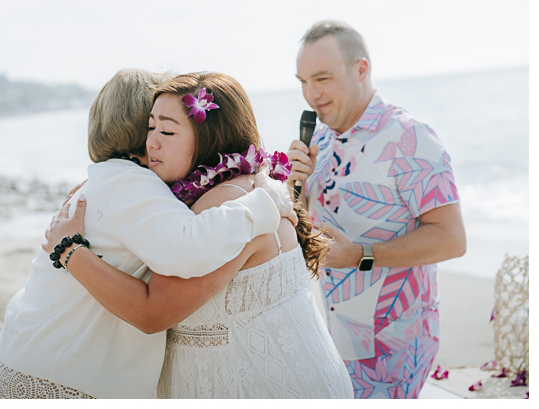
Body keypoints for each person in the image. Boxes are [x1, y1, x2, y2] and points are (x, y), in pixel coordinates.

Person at [46, 72, 353, 400]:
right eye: (149, 128)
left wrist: (68, 250)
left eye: (166, 130)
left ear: (209, 139)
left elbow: (152, 311)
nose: (150, 142)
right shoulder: (249, 185)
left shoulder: (223, 206)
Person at [0, 68, 288, 399]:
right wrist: (266, 202)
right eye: (154, 124)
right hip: (60, 375)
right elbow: (188, 248)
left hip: (28, 355)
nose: (158, 135)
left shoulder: (106, 180)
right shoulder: (131, 184)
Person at [287, 20, 466, 399]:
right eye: (303, 81)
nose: (310, 94)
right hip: (336, 335)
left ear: (361, 70)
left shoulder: (409, 137)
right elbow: (308, 231)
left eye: (322, 78)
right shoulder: (320, 141)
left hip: (395, 345)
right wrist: (296, 189)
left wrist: (358, 256)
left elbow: (451, 238)